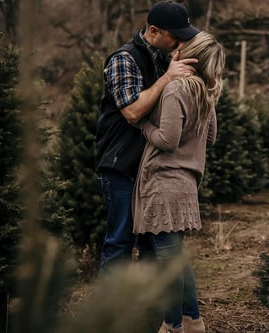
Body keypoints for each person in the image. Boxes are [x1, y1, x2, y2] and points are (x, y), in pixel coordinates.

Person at [95, 1, 199, 273]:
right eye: (175, 35)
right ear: (153, 31)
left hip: (152, 170)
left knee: (152, 248)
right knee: (120, 242)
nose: (180, 42)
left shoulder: (166, 59)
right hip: (122, 167)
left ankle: (145, 311)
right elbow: (132, 111)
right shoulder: (124, 59)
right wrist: (167, 78)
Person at [132, 31, 226, 333]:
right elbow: (210, 138)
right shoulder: (205, 93)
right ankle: (193, 321)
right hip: (186, 186)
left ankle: (171, 326)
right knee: (176, 260)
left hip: (163, 185)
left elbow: (167, 140)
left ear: (189, 55)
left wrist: (142, 123)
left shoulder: (176, 90)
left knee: (167, 265)